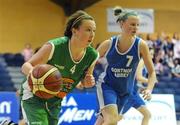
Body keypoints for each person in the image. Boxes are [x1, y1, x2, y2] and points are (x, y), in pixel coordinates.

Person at [20, 10, 98, 125]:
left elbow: (82, 84)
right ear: (74, 31)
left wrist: (87, 83)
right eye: (88, 30)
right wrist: (36, 75)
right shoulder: (54, 46)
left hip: (56, 100)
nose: (92, 34)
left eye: (94, 30)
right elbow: (25, 66)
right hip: (34, 95)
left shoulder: (92, 55)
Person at [95, 7, 157, 125]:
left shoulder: (141, 45)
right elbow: (91, 61)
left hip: (125, 91)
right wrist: (85, 76)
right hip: (108, 86)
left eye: (137, 25)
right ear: (122, 24)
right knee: (112, 120)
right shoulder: (109, 43)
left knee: (105, 121)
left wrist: (149, 89)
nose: (135, 27)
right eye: (132, 24)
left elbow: (152, 72)